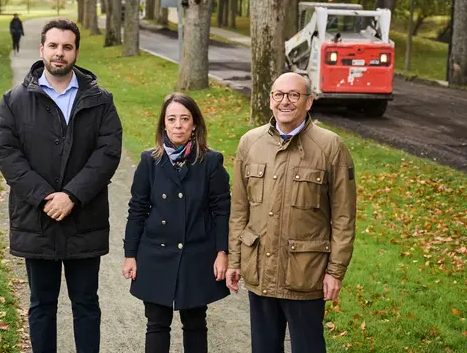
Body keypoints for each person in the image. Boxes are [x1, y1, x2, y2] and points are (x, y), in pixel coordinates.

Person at [0, 18, 122, 353]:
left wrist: (73, 196)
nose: (59, 53)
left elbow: (108, 152)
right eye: (53, 45)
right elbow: (7, 154)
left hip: (85, 219)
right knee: (42, 305)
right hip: (37, 220)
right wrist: (45, 198)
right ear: (42, 49)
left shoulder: (101, 100)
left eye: (67, 47)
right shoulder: (14, 100)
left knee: (86, 304)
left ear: (76, 52)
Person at [226, 72, 357, 353]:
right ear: (270, 100)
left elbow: (344, 218)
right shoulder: (250, 143)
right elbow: (239, 210)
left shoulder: (330, 146)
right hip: (260, 272)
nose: (285, 101)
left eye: (294, 95)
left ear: (308, 102)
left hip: (305, 275)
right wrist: (235, 262)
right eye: (279, 94)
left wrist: (335, 271)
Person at [122, 93, 231, 353]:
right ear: (163, 124)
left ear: (195, 124)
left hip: (196, 253)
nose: (178, 125)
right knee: (157, 323)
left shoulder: (210, 161)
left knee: (195, 322)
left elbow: (221, 211)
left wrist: (222, 252)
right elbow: (137, 209)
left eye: (185, 119)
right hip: (156, 253)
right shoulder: (150, 161)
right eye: (172, 119)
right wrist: (130, 255)